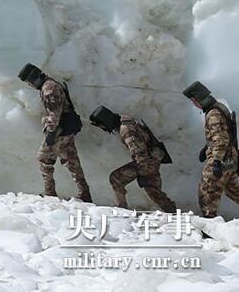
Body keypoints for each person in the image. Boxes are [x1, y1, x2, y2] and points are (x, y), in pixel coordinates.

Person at [18, 63, 92, 202]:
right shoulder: (51, 84)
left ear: (33, 78)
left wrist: (51, 134)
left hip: (60, 130)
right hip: (67, 128)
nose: (29, 85)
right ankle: (85, 193)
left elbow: (54, 114)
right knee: (72, 160)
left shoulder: (49, 89)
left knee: (43, 158)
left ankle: (50, 193)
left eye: (29, 82)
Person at [89, 105, 175, 212]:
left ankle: (122, 210)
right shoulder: (124, 119)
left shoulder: (126, 130)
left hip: (147, 161)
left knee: (118, 179)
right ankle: (172, 211)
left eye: (103, 126)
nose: (104, 129)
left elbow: (140, 152)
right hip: (151, 157)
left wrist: (143, 171)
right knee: (153, 191)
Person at [184, 81, 239, 218]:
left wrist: (216, 161)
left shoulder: (213, 114)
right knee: (234, 190)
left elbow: (221, 139)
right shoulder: (218, 108)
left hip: (222, 160)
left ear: (199, 99)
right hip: (229, 158)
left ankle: (210, 225)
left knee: (207, 192)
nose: (194, 104)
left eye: (194, 100)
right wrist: (206, 147)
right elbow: (221, 134)